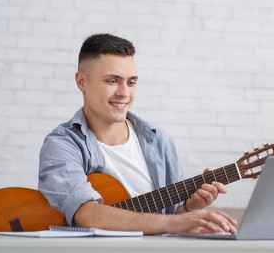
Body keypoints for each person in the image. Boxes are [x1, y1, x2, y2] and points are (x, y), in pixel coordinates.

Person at [38, 33, 237, 235]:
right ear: (82, 82)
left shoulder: (159, 142)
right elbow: (85, 214)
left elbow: (169, 219)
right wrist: (173, 223)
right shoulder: (62, 144)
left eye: (131, 82)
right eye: (112, 81)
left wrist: (188, 209)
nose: (124, 93)